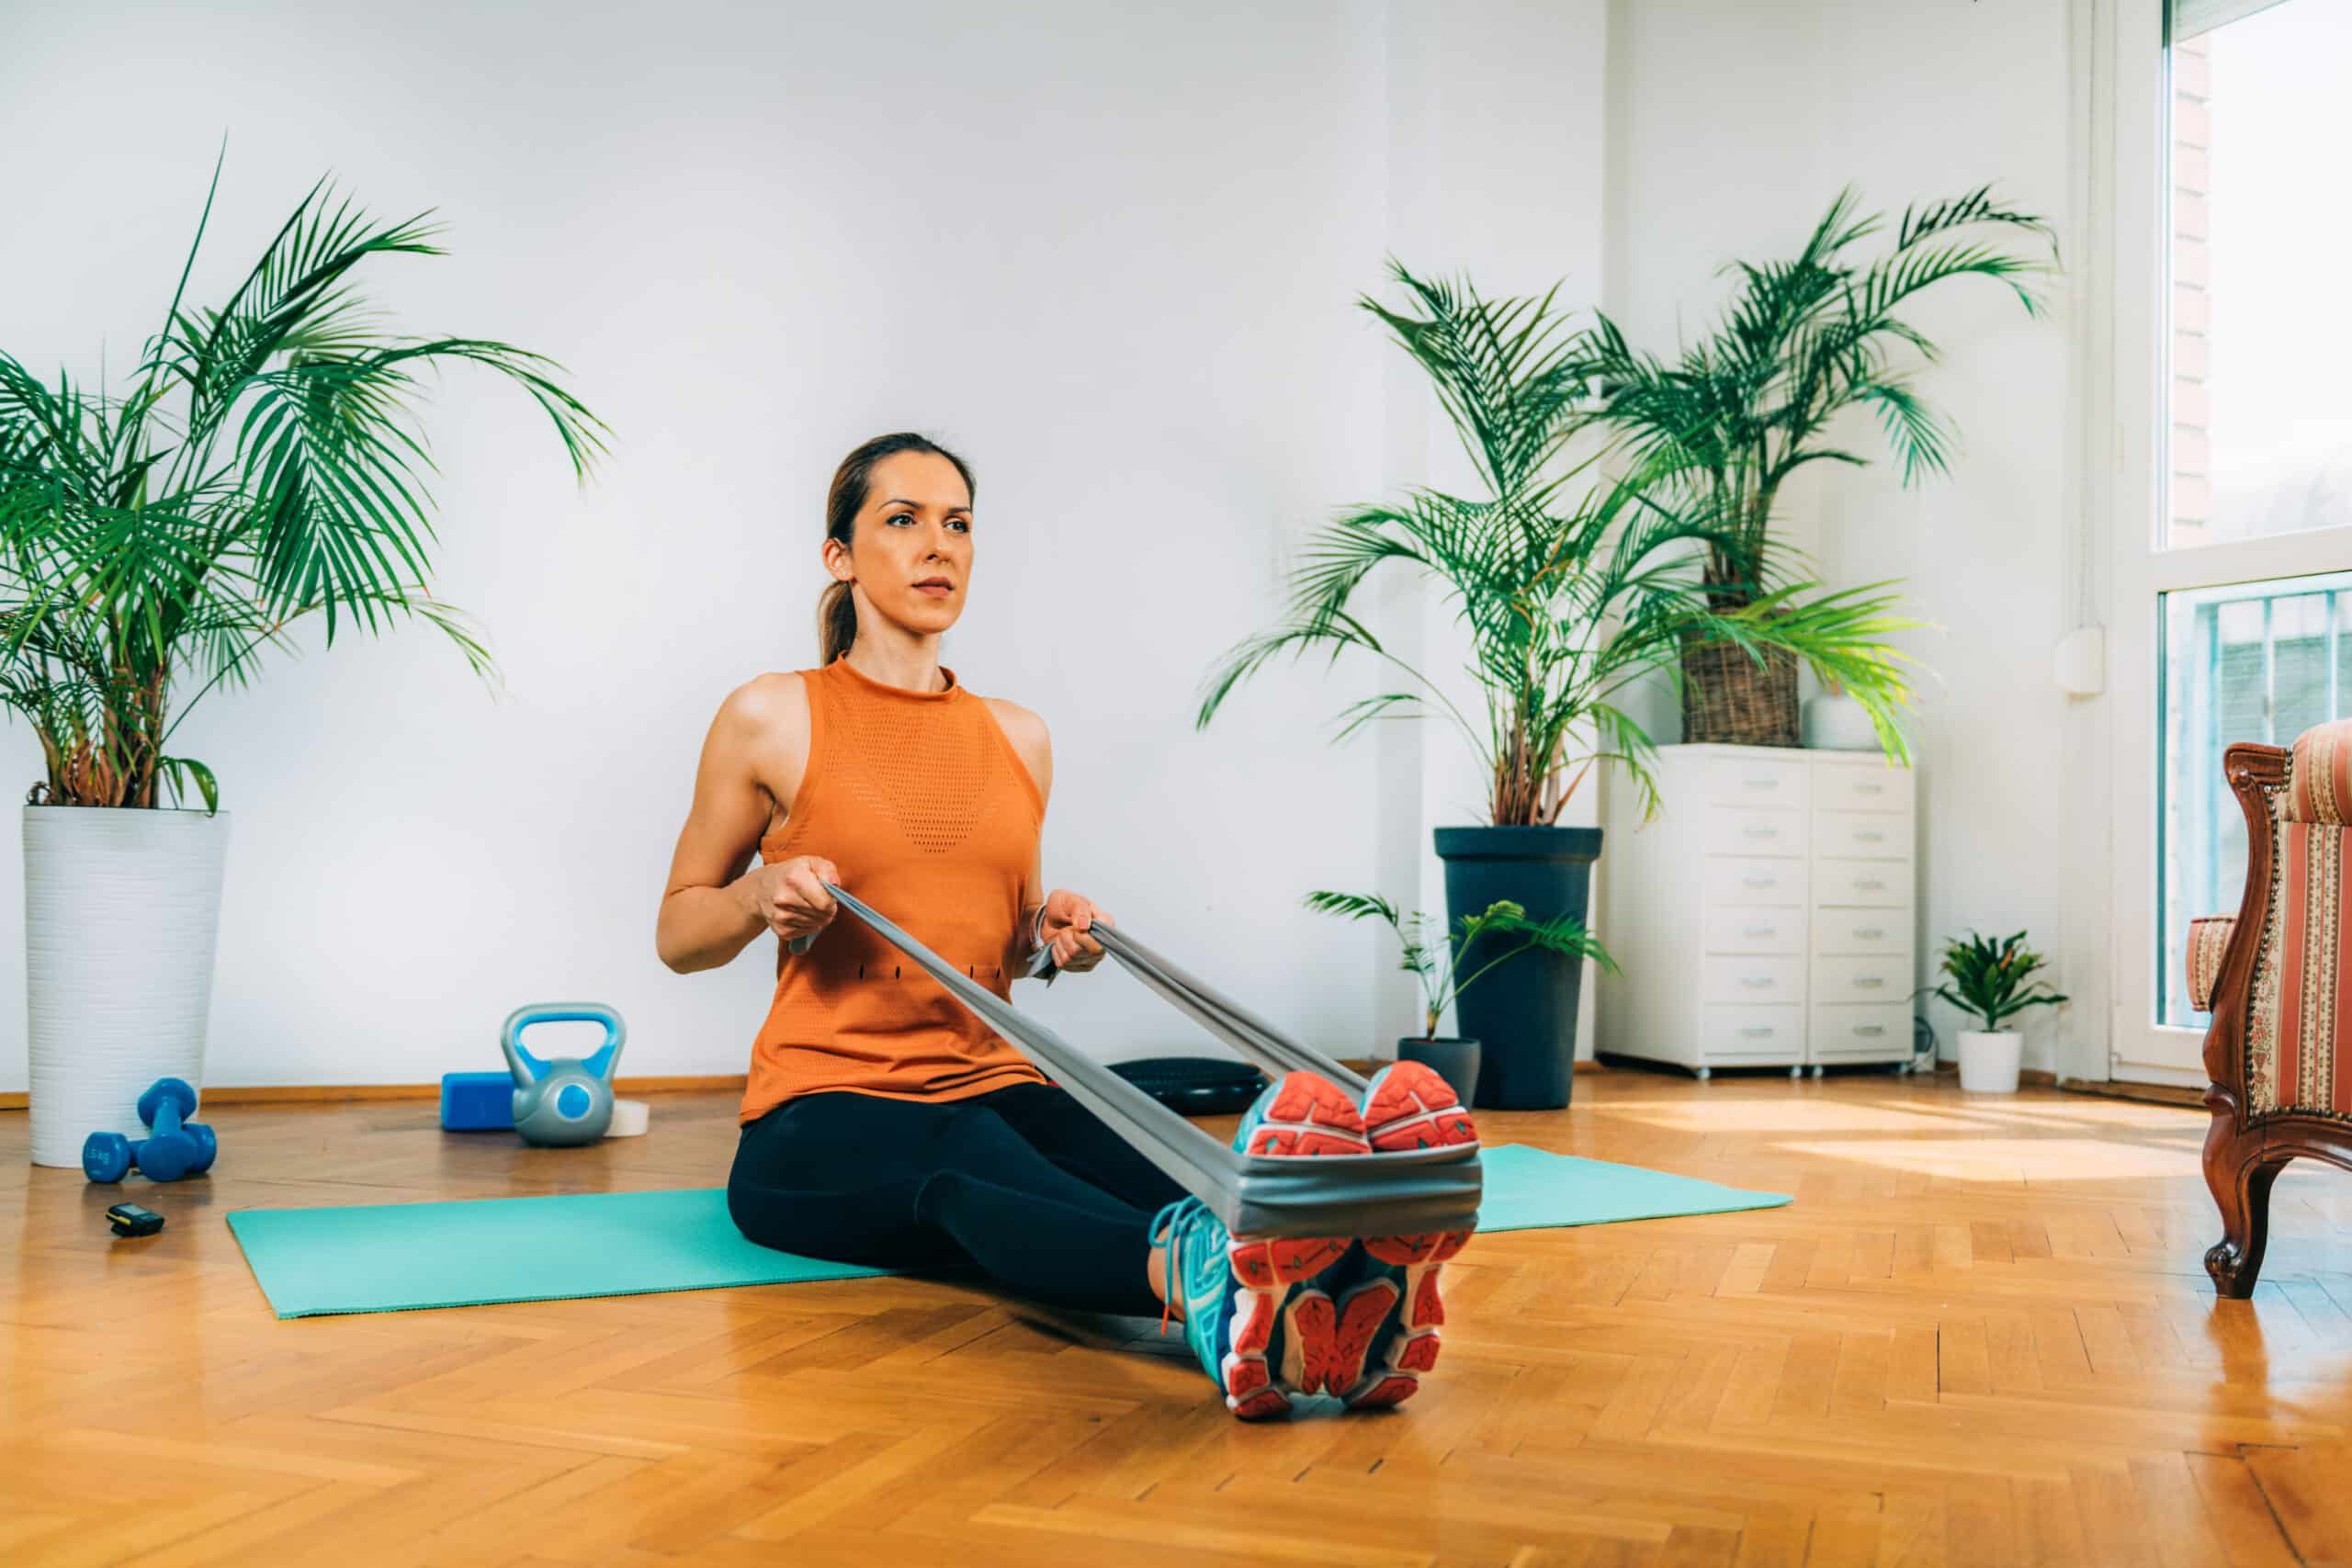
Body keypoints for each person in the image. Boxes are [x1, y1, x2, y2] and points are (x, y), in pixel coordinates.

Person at [654, 432, 1477, 1417]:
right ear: (841, 556)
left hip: (997, 1076)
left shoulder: (1017, 736)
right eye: (903, 521)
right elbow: (679, 930)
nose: (938, 546)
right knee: (969, 1170)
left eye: (957, 523)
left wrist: (1053, 936)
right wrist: (756, 895)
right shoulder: (772, 715)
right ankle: (1209, 1295)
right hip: (821, 1113)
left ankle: (1344, 1298)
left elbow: (998, 945)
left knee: (1162, 1166)